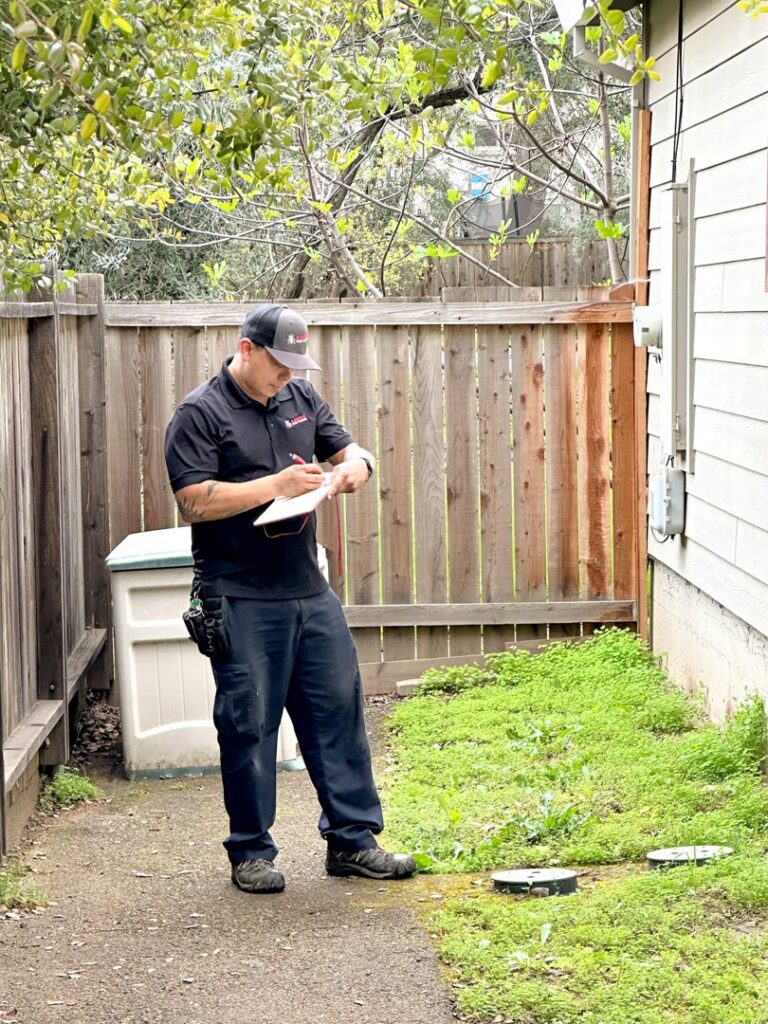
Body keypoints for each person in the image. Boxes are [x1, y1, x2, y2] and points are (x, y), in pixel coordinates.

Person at [164, 303, 416, 894]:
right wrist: (274, 486)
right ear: (247, 350)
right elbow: (193, 501)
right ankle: (251, 852)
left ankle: (353, 842)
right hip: (238, 593)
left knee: (338, 713)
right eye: (278, 363)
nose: (287, 375)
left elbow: (351, 450)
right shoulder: (200, 413)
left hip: (308, 587)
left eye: (295, 365)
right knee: (249, 724)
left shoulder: (299, 397)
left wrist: (357, 468)